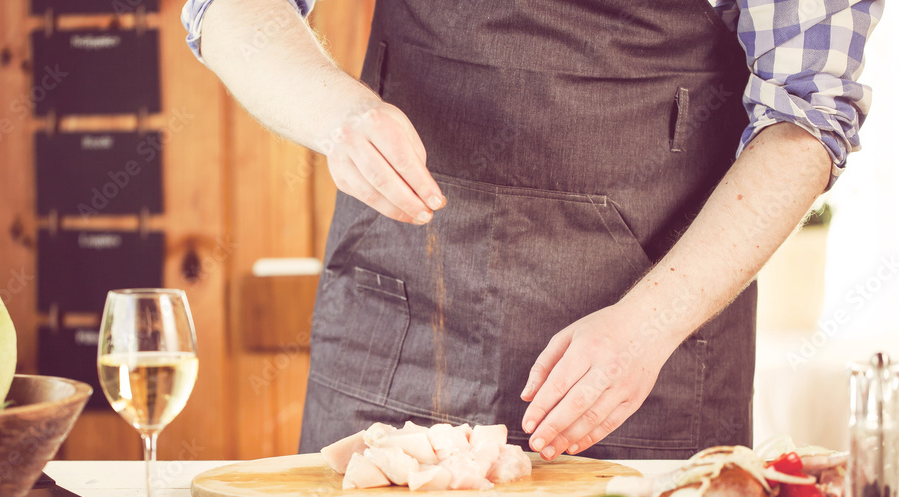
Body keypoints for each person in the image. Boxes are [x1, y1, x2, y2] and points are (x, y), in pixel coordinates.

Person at [182, 0, 883, 460]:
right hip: (393, 331)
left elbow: (805, 120)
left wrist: (648, 326)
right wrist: (338, 115)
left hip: (646, 359)